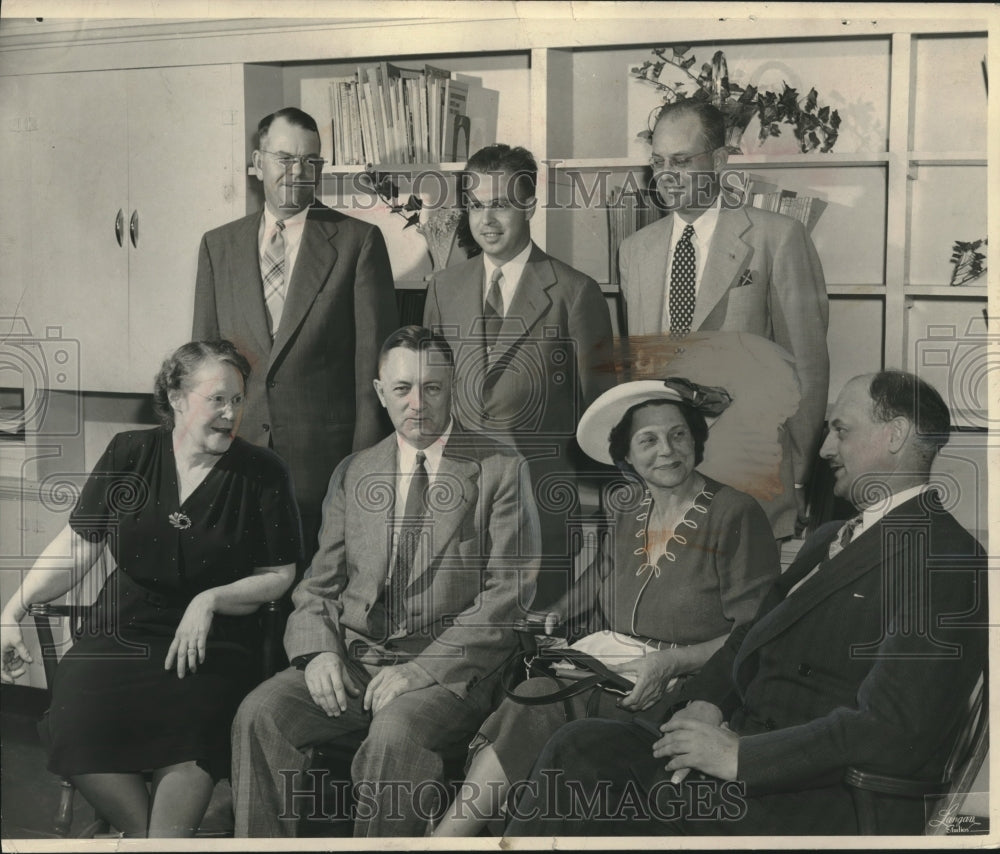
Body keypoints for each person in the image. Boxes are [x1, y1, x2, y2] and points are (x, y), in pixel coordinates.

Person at [504, 370, 987, 837]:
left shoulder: (945, 557)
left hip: (816, 796)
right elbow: (750, 635)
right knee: (580, 749)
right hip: (744, 752)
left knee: (601, 806)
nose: (823, 450)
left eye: (840, 430)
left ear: (896, 434)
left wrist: (739, 758)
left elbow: (894, 730)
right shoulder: (827, 539)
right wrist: (705, 704)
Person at [230, 325, 541, 838]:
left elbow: (507, 598)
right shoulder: (355, 471)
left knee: (395, 734)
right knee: (260, 713)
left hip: (451, 671)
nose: (417, 403)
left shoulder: (501, 470)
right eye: (402, 389)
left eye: (432, 388)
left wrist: (423, 670)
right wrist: (319, 654)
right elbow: (317, 588)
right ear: (380, 393)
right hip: (355, 661)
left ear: (453, 387)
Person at [433, 378, 780, 837]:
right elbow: (599, 578)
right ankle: (450, 840)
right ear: (627, 459)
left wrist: (669, 661)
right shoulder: (627, 512)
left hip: (686, 692)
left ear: (697, 440)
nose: (668, 450)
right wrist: (555, 611)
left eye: (679, 434)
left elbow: (755, 632)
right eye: (649, 440)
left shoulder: (735, 513)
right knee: (532, 697)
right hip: (611, 676)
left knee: (553, 726)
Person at [0, 340, 301, 837]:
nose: (231, 413)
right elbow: (78, 546)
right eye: (217, 399)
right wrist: (12, 610)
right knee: (73, 715)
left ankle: (152, 841)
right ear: (177, 397)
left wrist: (211, 600)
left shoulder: (263, 472)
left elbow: (280, 574)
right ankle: (149, 841)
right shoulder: (131, 452)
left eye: (238, 400)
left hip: (214, 640)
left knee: (190, 731)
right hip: (124, 626)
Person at [193, 106, 399, 561]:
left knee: (312, 603)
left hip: (322, 471)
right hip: (236, 459)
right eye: (284, 158)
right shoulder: (218, 245)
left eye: (310, 161)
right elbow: (203, 370)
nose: (297, 172)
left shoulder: (357, 241)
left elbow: (374, 375)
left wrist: (360, 475)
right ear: (257, 162)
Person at [619, 100, 830, 540]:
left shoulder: (778, 237)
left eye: (681, 161)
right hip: (664, 481)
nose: (666, 174)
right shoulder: (635, 250)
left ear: (718, 159)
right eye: (658, 162)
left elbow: (807, 367)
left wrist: (800, 475)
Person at [424, 143, 614, 608]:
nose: (486, 221)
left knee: (532, 658)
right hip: (458, 516)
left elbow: (602, 422)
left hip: (541, 515)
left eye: (501, 205)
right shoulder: (443, 288)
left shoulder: (575, 292)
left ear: (529, 205)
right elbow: (429, 404)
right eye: (475, 205)